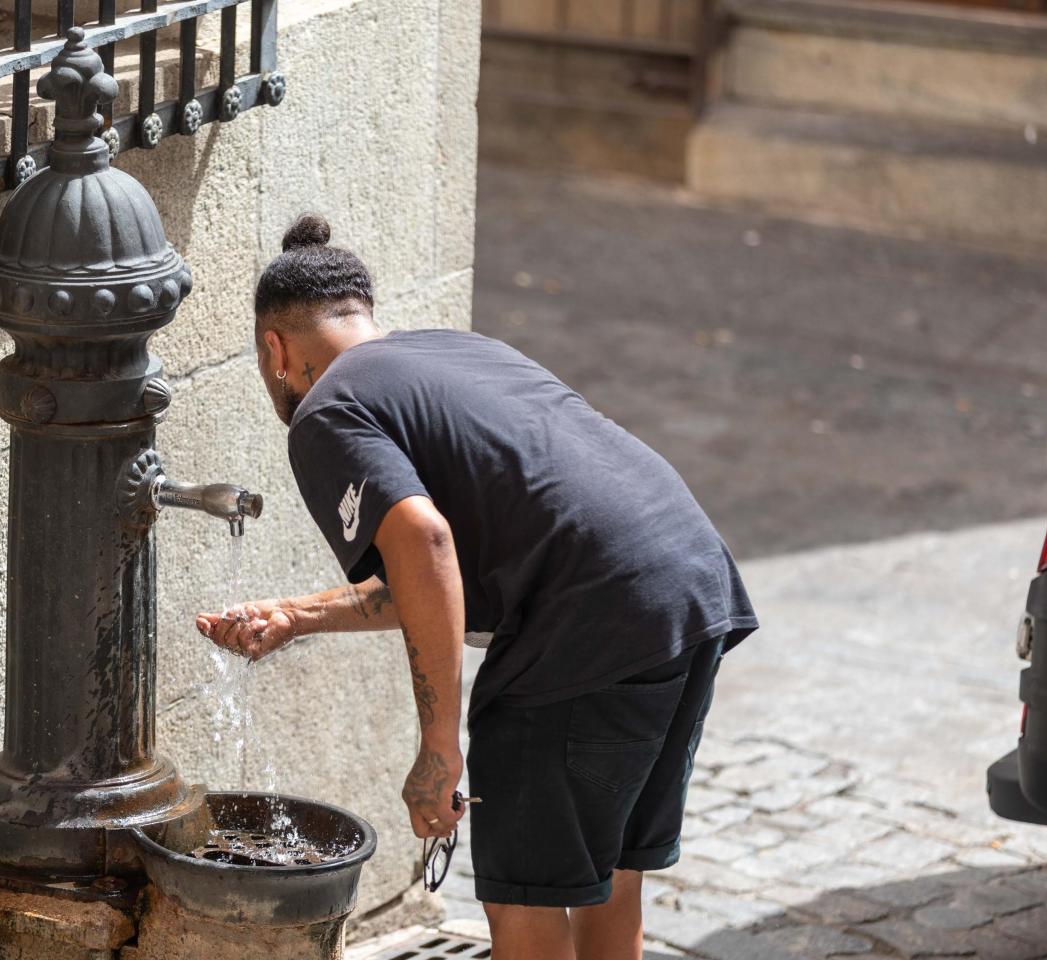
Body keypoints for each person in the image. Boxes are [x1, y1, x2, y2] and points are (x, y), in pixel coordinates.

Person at [196, 214, 757, 960]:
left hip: (587, 622)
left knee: (525, 897)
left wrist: (438, 749)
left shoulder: (328, 411)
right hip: (688, 585)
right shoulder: (459, 351)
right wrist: (297, 615)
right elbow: (438, 574)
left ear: (275, 351)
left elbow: (425, 543)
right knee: (608, 876)